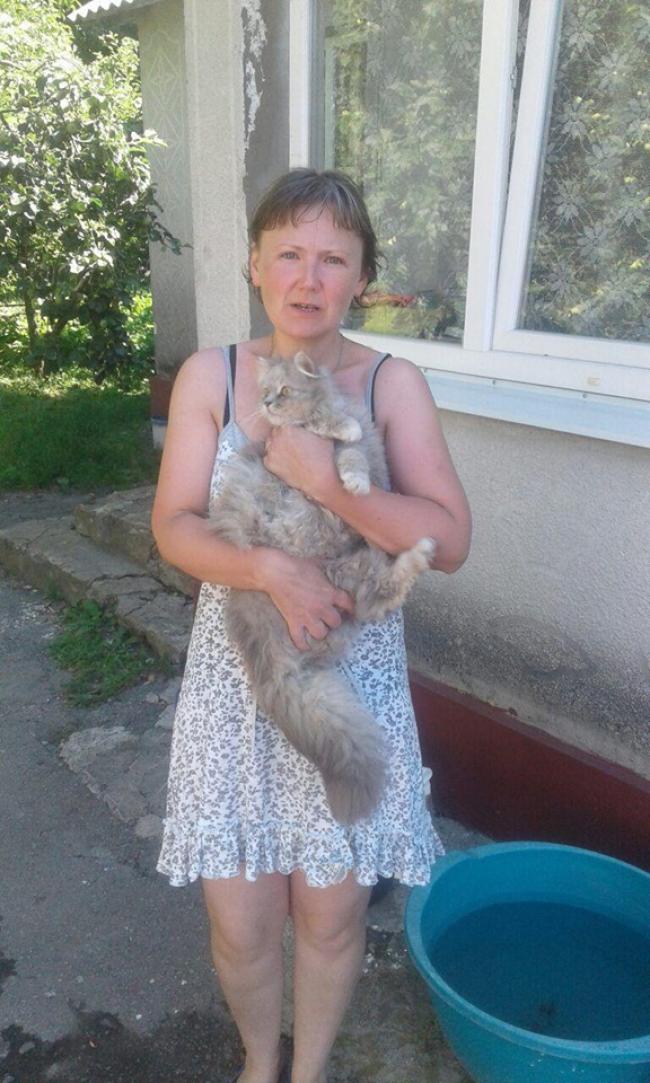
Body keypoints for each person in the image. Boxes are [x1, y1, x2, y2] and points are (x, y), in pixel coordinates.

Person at [151, 169, 471, 1083]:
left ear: (361, 278)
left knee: (330, 919)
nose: (308, 276)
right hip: (240, 688)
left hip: (350, 685)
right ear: (255, 265)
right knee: (241, 923)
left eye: (334, 258)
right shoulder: (212, 376)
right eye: (288, 252)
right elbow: (173, 525)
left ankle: (312, 1068)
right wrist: (269, 569)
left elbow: (450, 540)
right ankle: (262, 1062)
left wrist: (331, 485)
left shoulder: (392, 385)